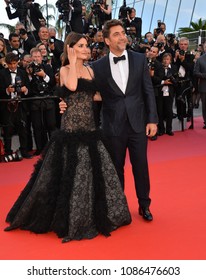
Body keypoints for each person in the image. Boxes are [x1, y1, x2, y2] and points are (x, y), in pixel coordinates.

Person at [4, 32, 131, 243]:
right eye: (81, 46)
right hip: (70, 129)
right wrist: (72, 62)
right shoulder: (64, 70)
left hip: (90, 128)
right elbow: (71, 86)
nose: (86, 49)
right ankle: (68, 218)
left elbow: (96, 95)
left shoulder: (91, 70)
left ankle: (89, 215)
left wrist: (106, 94)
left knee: (93, 175)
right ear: (71, 48)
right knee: (68, 174)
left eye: (87, 45)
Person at [60, 19, 158, 221]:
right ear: (106, 40)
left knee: (141, 166)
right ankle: (118, 207)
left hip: (138, 123)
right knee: (115, 169)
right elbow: (84, 91)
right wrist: (64, 103)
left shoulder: (140, 59)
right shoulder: (97, 66)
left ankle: (144, 205)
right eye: (116, 34)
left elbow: (148, 92)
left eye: (123, 32)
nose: (122, 36)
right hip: (112, 125)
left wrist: (152, 119)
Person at [193, 50, 206, 129]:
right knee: (205, 106)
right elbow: (195, 72)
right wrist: (204, 75)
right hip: (204, 87)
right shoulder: (200, 59)